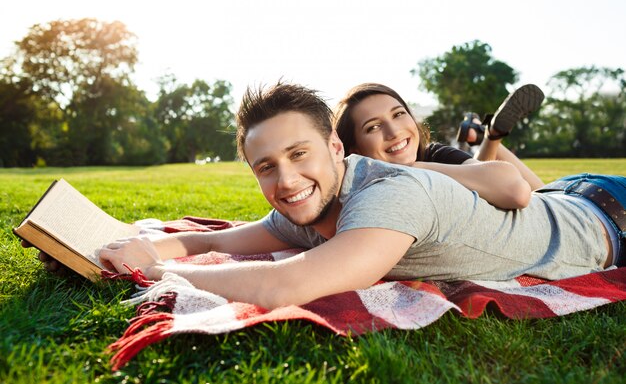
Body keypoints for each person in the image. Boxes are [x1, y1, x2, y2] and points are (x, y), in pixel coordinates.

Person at [93, 81, 626, 310]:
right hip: (568, 197)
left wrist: (154, 273)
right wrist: (152, 246)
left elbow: (286, 284)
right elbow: (231, 239)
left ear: (333, 146)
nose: (285, 181)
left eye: (300, 155)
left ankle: (490, 141)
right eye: (266, 167)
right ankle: (490, 142)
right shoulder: (309, 202)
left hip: (609, 217)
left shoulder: (391, 194)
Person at [333, 83, 544, 210]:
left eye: (399, 114)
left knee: (544, 196)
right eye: (374, 127)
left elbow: (515, 191)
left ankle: (490, 135)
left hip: (566, 201)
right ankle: (486, 134)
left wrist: (412, 168)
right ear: (354, 150)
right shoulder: (354, 195)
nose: (395, 131)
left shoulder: (433, 154)